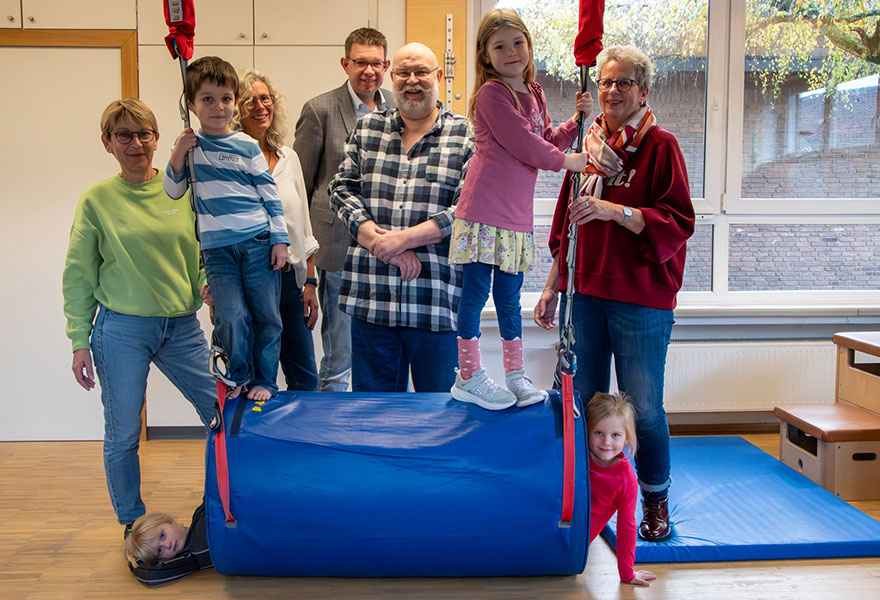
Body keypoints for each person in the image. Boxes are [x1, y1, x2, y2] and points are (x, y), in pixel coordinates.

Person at [534, 45, 695, 542]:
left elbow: (679, 220)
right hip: (586, 292)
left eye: (624, 82)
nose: (613, 91)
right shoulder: (587, 144)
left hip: (641, 299)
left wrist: (617, 212)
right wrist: (552, 285)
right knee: (582, 402)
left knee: (642, 408)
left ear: (643, 91)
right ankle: (588, 497)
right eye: (606, 82)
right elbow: (568, 222)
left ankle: (654, 500)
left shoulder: (660, 146)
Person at [62, 98, 215, 535]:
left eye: (144, 133)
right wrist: (78, 340)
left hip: (182, 327)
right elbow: (78, 275)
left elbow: (201, 250)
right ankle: (133, 524)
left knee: (220, 417)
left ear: (157, 137)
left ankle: (219, 505)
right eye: (124, 135)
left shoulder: (182, 189)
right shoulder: (97, 200)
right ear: (107, 142)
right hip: (121, 330)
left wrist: (205, 283)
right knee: (124, 432)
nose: (136, 143)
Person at [449, 8, 590, 410]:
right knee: (475, 296)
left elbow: (545, 137)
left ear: (529, 46)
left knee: (510, 300)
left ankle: (514, 375)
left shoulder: (536, 93)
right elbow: (524, 145)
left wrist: (575, 121)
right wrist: (567, 162)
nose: (511, 52)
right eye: (499, 46)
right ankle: (470, 375)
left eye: (518, 42)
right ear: (485, 55)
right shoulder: (493, 95)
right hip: (482, 214)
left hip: (515, 219)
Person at [329, 42, 474, 393]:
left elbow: (469, 212)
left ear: (438, 76)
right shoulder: (367, 131)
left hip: (435, 302)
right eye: (405, 73)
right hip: (371, 300)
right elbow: (341, 188)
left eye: (422, 72)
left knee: (440, 417)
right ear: (391, 77)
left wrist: (403, 240)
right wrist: (378, 242)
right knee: (373, 419)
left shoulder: (466, 135)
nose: (413, 81)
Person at [164, 56, 290, 402]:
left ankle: (265, 379)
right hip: (218, 252)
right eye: (207, 99)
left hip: (258, 243)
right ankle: (236, 375)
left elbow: (270, 196)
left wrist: (280, 240)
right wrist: (177, 152)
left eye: (225, 99)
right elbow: (173, 190)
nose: (217, 107)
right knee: (231, 317)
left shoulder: (247, 146)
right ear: (192, 104)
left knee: (267, 316)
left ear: (235, 101)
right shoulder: (190, 149)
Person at [294, 28, 396, 392]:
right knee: (339, 351)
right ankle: (331, 432)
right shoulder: (319, 110)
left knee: (379, 349)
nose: (368, 71)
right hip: (336, 246)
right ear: (345, 64)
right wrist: (305, 263)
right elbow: (300, 187)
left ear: (386, 65)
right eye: (360, 62)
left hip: (385, 248)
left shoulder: (400, 109)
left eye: (375, 63)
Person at [236, 69, 320, 391]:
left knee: (305, 377)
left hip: (289, 280)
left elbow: (304, 226)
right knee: (258, 377)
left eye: (265, 98)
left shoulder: (289, 158)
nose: (260, 107)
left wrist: (310, 281)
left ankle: (304, 441)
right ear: (236, 111)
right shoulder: (227, 161)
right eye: (249, 101)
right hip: (249, 279)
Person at [586, 392, 657, 586]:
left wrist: (627, 573)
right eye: (598, 433)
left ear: (627, 438)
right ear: (586, 430)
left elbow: (626, 526)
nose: (606, 442)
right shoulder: (576, 454)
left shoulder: (625, 480)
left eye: (615, 435)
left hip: (575, 543)